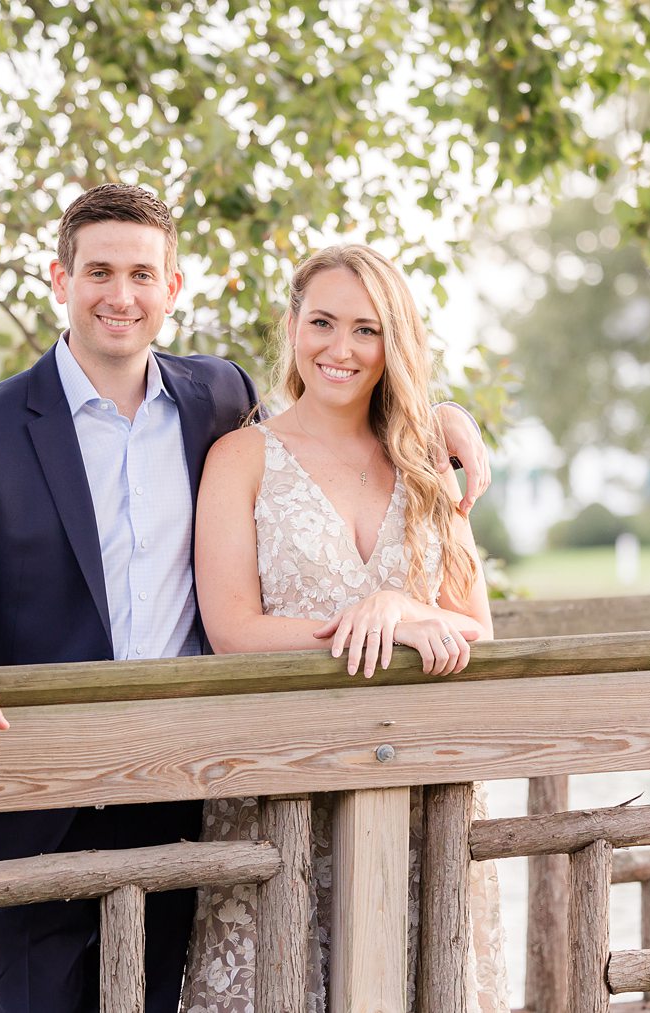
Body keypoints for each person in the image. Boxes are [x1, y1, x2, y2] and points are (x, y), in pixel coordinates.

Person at [0, 185, 492, 1013]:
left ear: (173, 289)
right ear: (60, 280)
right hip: (30, 798)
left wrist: (441, 414)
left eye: (142, 274)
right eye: (99, 271)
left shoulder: (215, 397)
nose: (120, 295)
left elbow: (331, 423)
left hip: (178, 789)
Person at [185, 244, 504, 1012]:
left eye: (366, 330)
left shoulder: (426, 459)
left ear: (393, 342)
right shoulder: (241, 457)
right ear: (292, 324)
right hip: (285, 788)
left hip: (425, 794)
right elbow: (232, 628)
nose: (341, 348)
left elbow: (480, 630)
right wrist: (369, 630)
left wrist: (403, 609)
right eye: (322, 321)